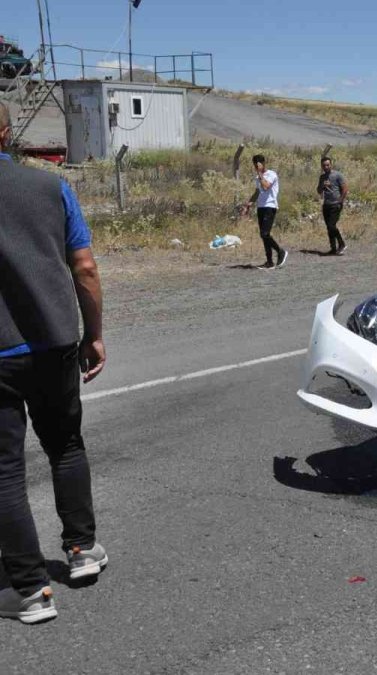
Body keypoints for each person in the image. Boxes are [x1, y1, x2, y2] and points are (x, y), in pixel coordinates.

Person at [0, 102, 107, 625]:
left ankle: (29, 590)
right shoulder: (50, 187)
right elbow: (84, 267)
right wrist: (95, 334)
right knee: (65, 445)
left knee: (4, 470)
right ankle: (82, 550)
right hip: (55, 341)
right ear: (6, 132)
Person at [241, 154, 287, 270]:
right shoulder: (258, 177)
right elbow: (257, 192)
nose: (257, 167)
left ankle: (280, 251)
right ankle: (269, 261)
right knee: (264, 235)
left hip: (270, 206)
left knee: (265, 233)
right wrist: (248, 205)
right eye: (255, 165)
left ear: (263, 163)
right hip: (261, 207)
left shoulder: (271, 174)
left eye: (258, 165)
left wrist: (260, 174)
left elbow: (266, 187)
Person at [316, 156, 348, 255]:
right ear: (322, 166)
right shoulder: (322, 177)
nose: (326, 167)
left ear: (331, 165)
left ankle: (341, 244)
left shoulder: (337, 175)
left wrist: (340, 201)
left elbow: (345, 189)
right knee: (329, 227)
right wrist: (323, 185)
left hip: (335, 204)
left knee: (331, 225)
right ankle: (333, 248)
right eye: (324, 165)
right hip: (326, 204)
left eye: (328, 165)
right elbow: (319, 191)